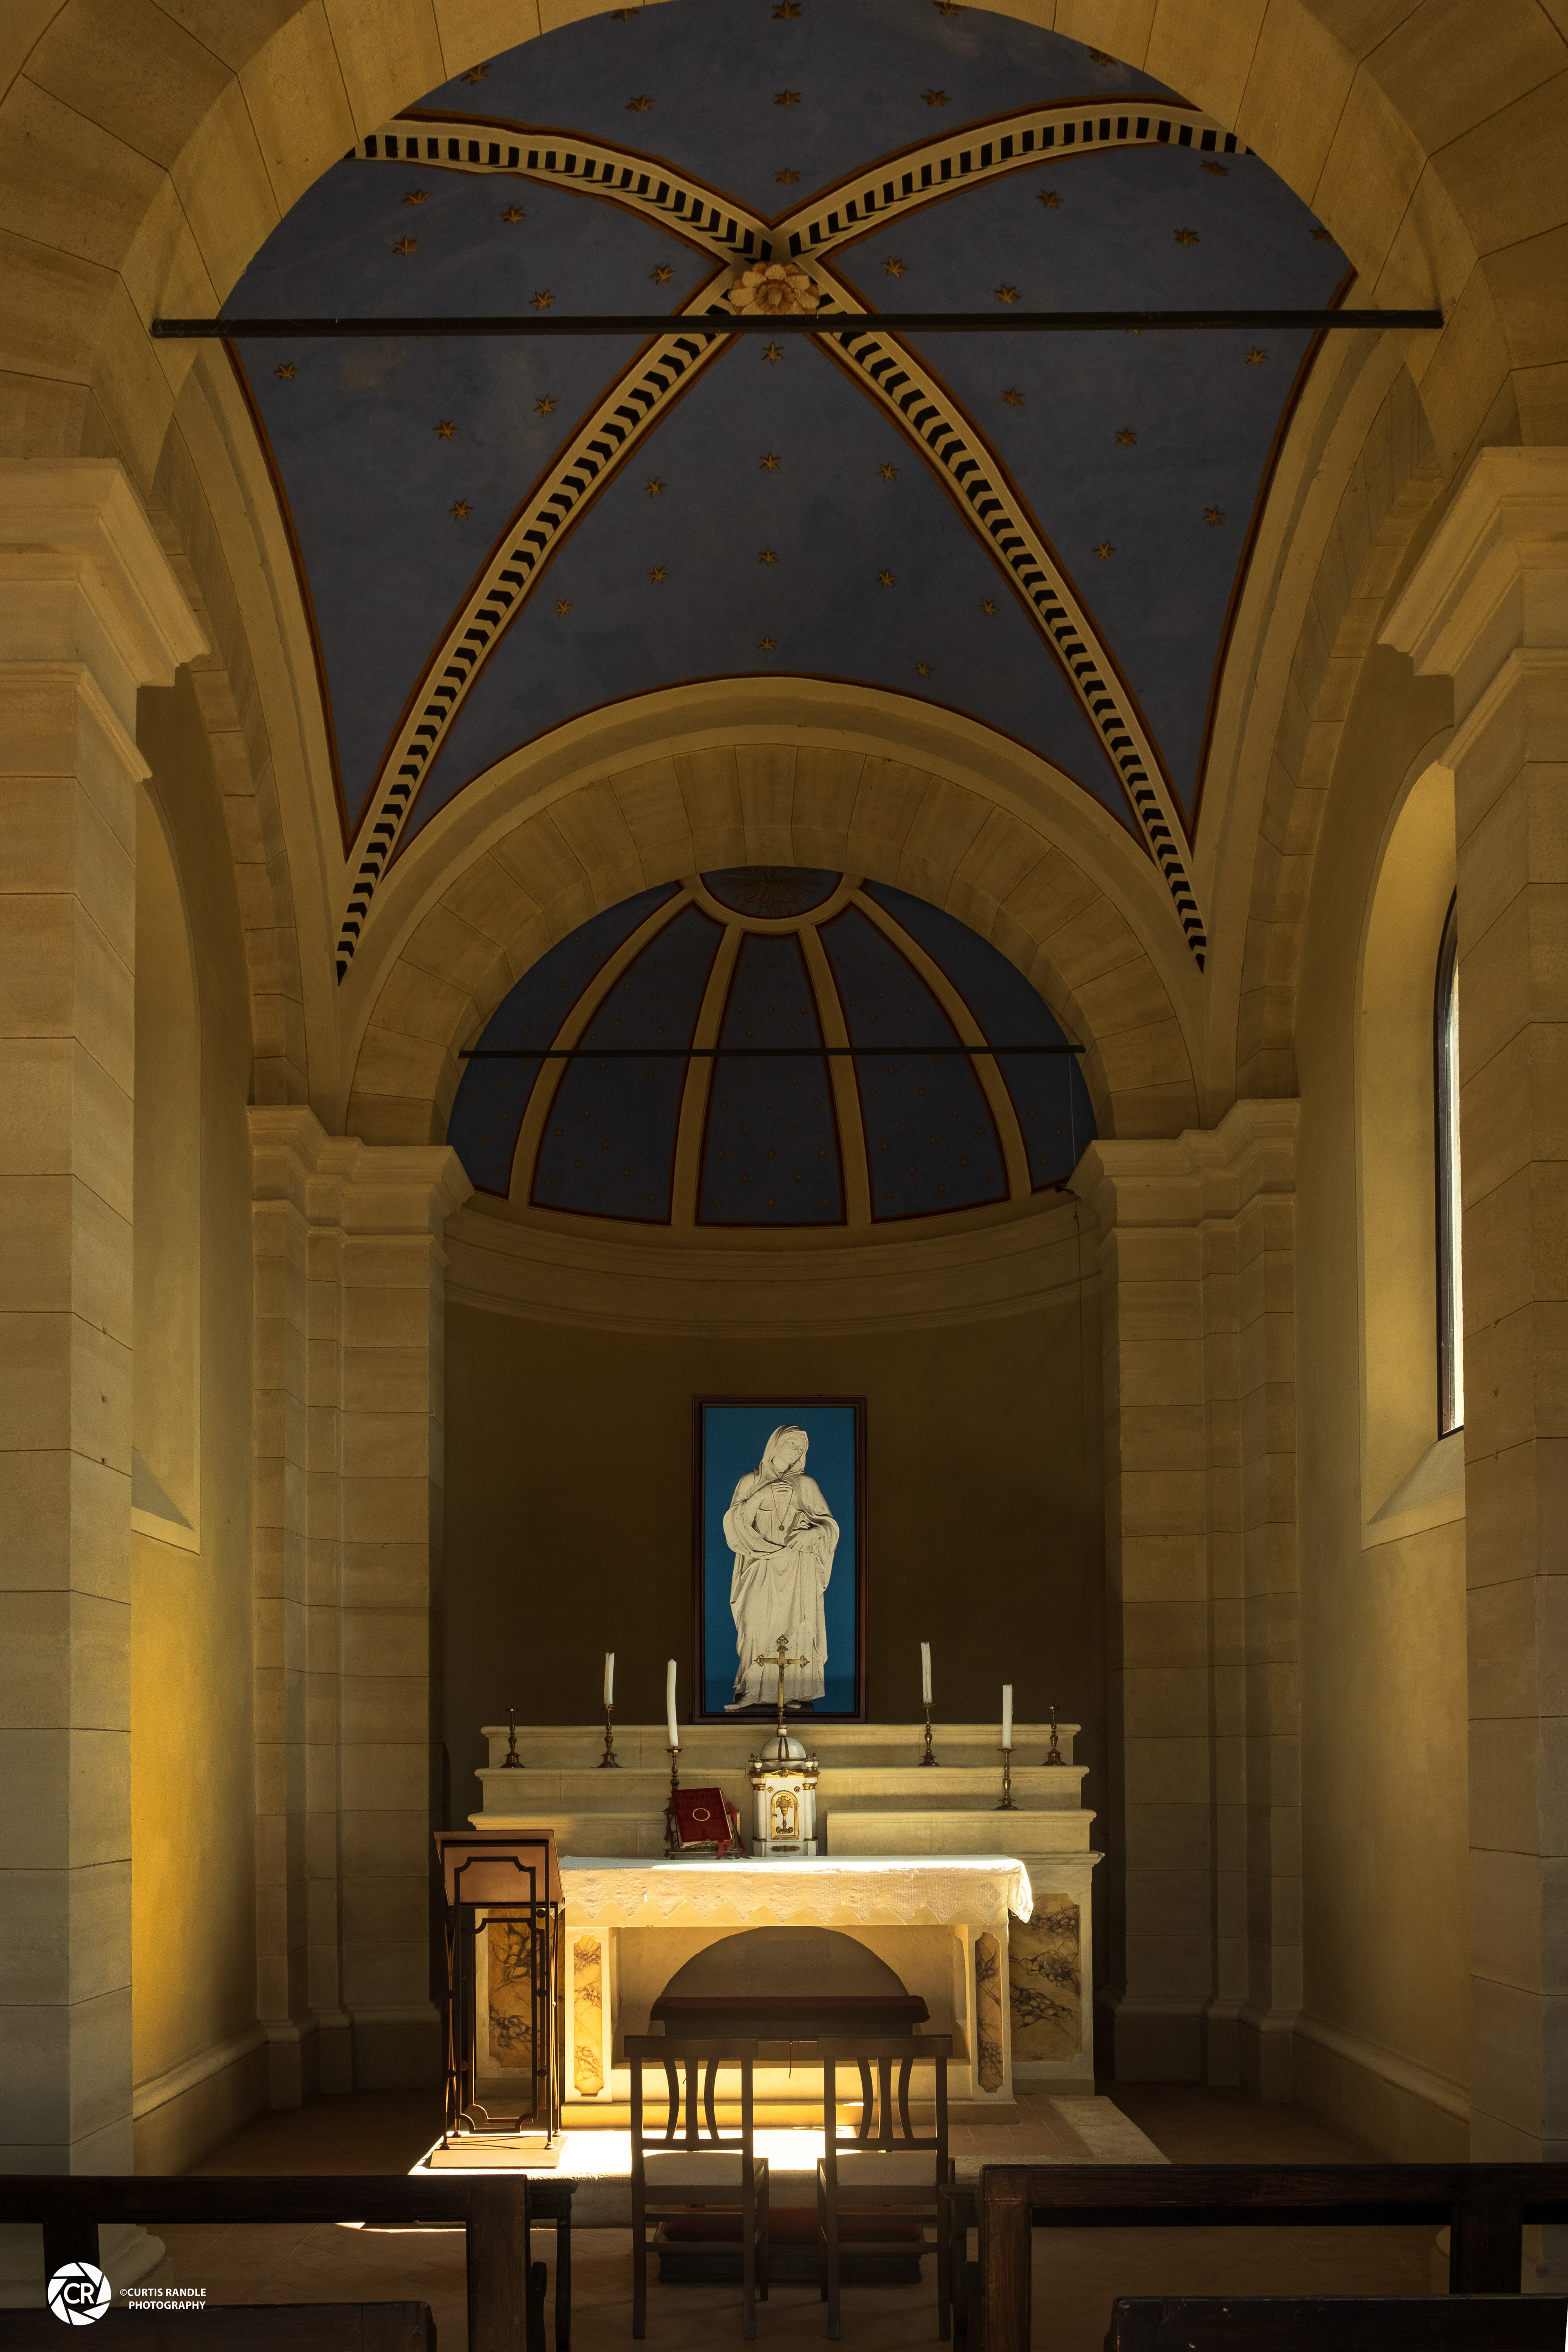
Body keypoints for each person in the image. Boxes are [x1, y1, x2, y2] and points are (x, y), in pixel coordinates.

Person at [723, 1425, 838, 1711]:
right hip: (761, 1566)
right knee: (754, 1626)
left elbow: (830, 1526)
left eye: (802, 1448)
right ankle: (751, 1691)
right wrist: (760, 1497)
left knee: (797, 1628)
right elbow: (734, 1525)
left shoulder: (806, 1485)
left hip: (799, 1568)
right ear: (775, 1445)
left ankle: (790, 1693)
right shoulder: (752, 1481)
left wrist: (813, 1534)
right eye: (792, 1444)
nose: (797, 1451)